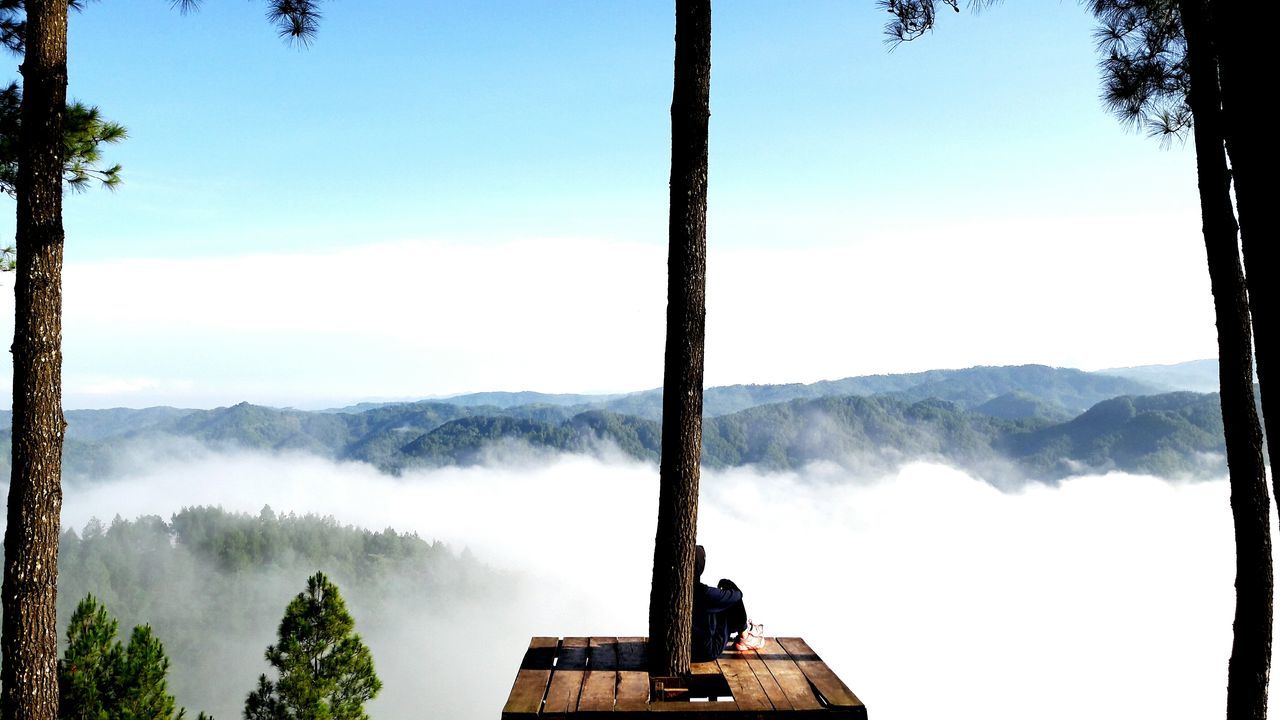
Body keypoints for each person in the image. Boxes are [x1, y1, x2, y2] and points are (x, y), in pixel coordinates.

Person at [690, 544, 763, 662]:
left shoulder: (673, 589)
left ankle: (744, 634)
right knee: (732, 600)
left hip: (679, 647)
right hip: (705, 651)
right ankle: (745, 637)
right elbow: (737, 595)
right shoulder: (703, 593)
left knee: (716, 607)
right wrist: (727, 584)